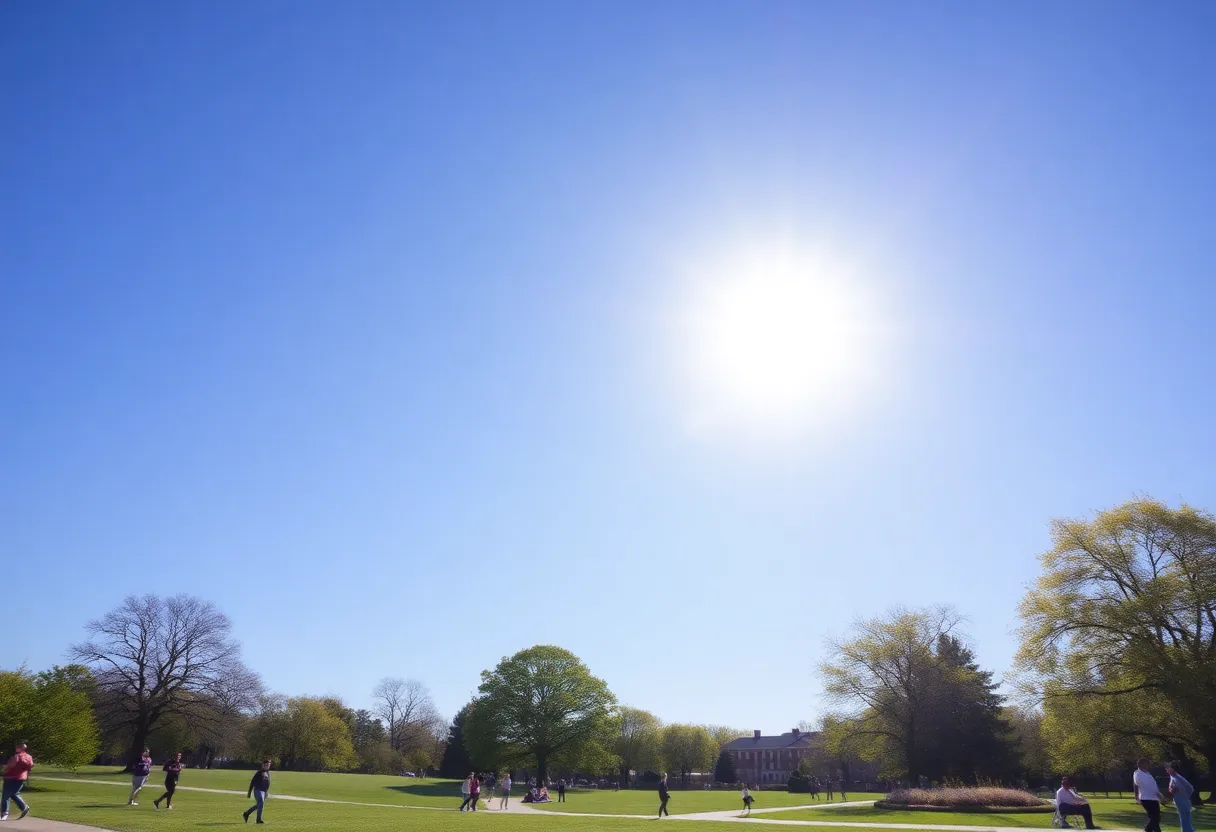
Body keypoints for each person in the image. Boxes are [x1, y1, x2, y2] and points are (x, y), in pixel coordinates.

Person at [0, 741, 33, 821]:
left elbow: (10, 766)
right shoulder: (29, 757)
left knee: (6, 795)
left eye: (17, 747)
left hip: (11, 777)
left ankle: (4, 813)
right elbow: (30, 766)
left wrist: (4, 767)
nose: (16, 748)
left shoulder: (16, 756)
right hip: (21, 778)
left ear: (20, 748)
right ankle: (23, 807)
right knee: (13, 793)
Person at [1165, 761, 1195, 832]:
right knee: (1184, 818)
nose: (1166, 770)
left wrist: (1185, 796)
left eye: (1167, 768)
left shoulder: (1177, 777)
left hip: (1183, 801)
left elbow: (1190, 788)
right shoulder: (1172, 776)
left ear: (1172, 768)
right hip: (1179, 800)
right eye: (1166, 768)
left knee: (1185, 818)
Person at [1134, 758, 1163, 832]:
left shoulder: (1144, 773)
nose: (1148, 765)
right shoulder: (1141, 774)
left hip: (1150, 798)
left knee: (1155, 818)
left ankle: (1148, 830)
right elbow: (1150, 787)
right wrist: (1160, 795)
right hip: (1149, 798)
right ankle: (1147, 829)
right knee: (1155, 818)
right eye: (1147, 763)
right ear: (1142, 764)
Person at [243, 758, 272, 824]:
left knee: (259, 805)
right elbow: (252, 782)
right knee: (260, 803)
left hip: (264, 791)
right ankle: (258, 820)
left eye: (268, 765)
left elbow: (267, 783)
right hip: (258, 790)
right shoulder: (259, 772)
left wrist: (266, 792)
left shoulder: (267, 772)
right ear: (263, 765)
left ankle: (247, 813)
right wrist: (249, 793)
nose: (267, 766)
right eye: (266, 765)